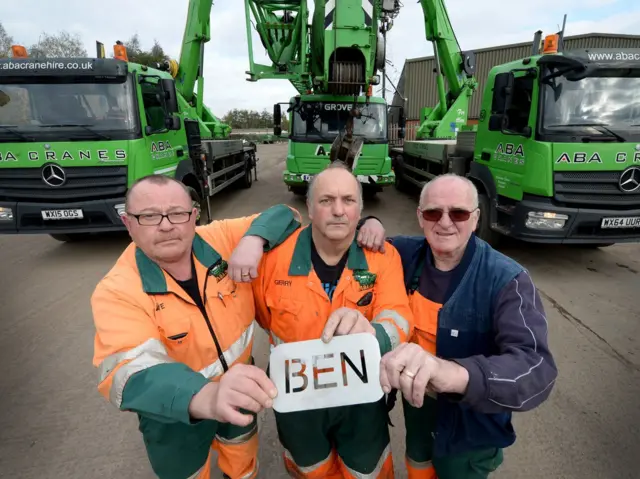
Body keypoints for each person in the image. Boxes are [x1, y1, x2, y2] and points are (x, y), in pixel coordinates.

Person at [90, 174, 304, 479]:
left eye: (177, 213)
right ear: (128, 223)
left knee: (242, 461)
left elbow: (287, 214)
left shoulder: (220, 239)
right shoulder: (117, 290)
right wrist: (207, 397)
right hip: (172, 413)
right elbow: (128, 371)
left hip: (239, 391)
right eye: (149, 216)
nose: (166, 225)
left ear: (193, 216)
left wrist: (253, 240)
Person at [359, 173, 558, 479]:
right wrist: (368, 222)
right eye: (433, 212)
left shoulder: (506, 279)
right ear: (420, 217)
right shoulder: (404, 254)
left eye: (459, 213)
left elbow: (535, 368)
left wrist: (454, 374)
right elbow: (339, 234)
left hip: (471, 429)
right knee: (418, 467)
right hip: (418, 412)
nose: (445, 222)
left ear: (476, 218)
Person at [250, 161, 414, 479]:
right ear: (310, 208)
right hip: (299, 402)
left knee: (368, 470)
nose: (338, 210)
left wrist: (374, 335)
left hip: (362, 399)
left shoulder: (383, 258)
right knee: (311, 469)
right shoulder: (271, 261)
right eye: (326, 200)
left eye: (348, 200)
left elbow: (399, 317)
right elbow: (263, 317)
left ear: (360, 210)